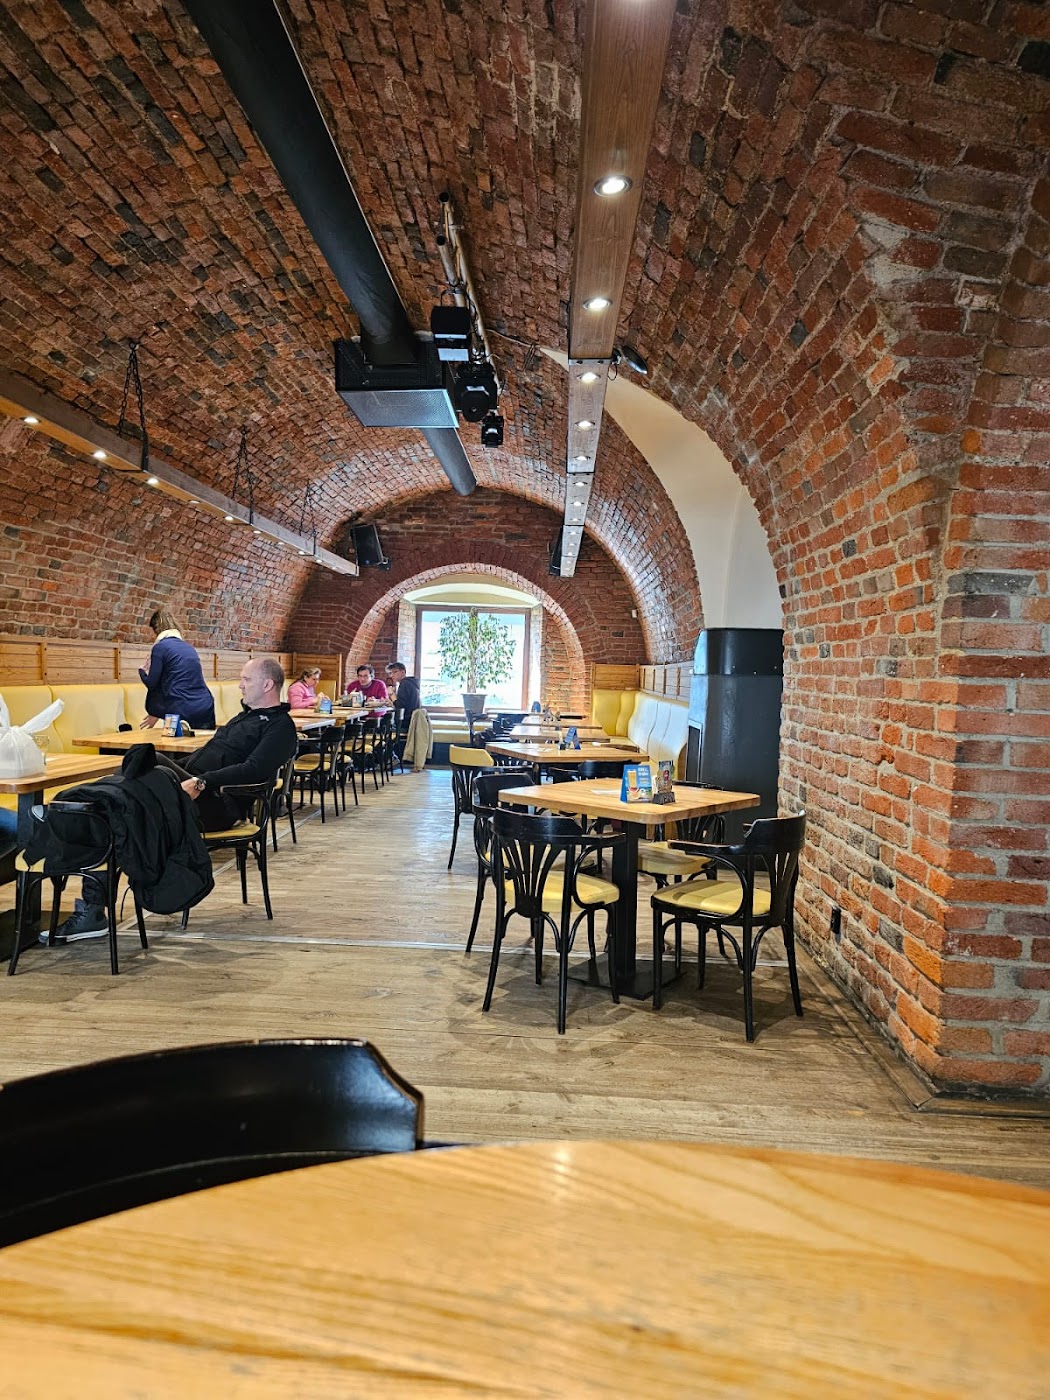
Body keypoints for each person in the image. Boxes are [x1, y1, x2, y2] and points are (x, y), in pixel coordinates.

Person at [45, 658, 297, 944]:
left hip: (219, 806)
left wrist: (202, 781)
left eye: (246, 679)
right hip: (194, 794)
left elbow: (255, 769)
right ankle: (85, 829)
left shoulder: (281, 727)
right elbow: (204, 758)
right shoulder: (245, 717)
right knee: (125, 799)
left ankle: (72, 811)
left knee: (143, 768)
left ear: (267, 684)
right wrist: (183, 774)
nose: (240, 685)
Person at [138, 607, 215, 731]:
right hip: (204, 706)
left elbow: (152, 683)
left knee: (170, 742)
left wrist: (142, 671)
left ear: (156, 629)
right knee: (205, 743)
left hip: (177, 711)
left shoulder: (160, 648)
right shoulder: (189, 648)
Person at [385, 662, 419, 728]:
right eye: (391, 673)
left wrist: (392, 694)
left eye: (395, 672)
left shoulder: (404, 684)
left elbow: (400, 707)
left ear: (403, 672)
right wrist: (392, 703)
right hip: (413, 720)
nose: (392, 675)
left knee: (384, 723)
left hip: (406, 722)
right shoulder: (411, 682)